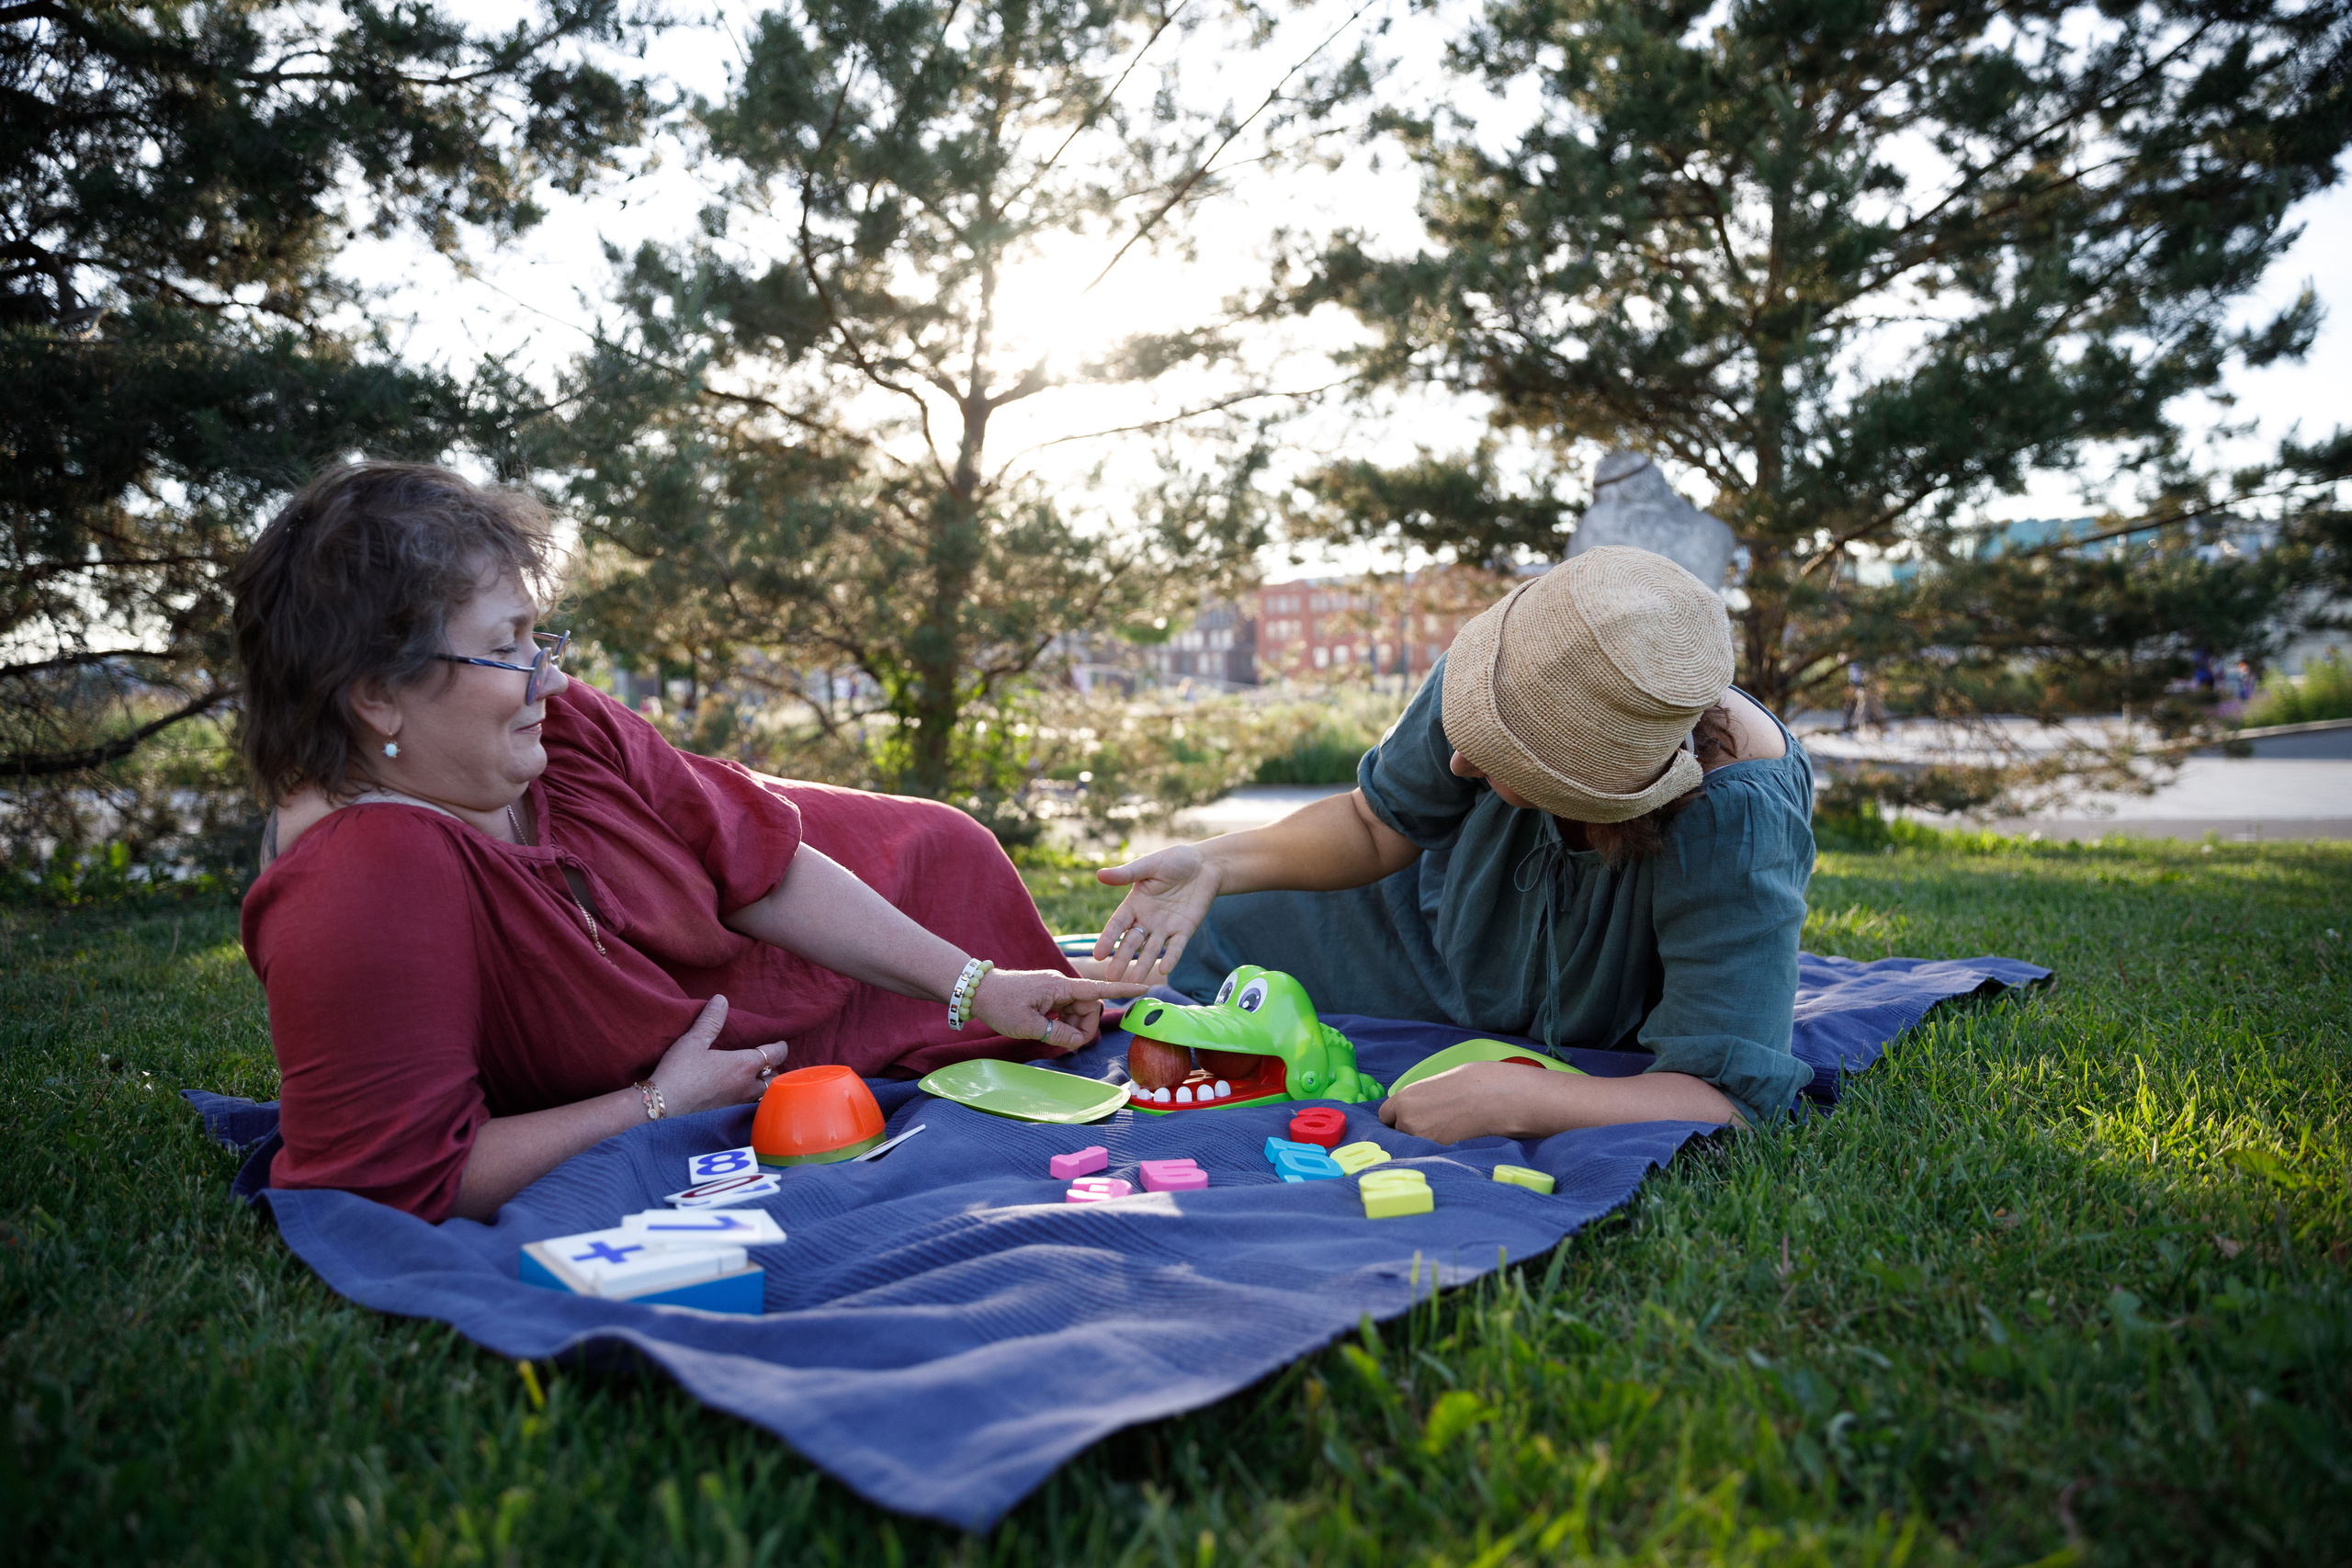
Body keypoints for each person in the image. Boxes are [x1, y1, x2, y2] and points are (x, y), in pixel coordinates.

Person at [234, 463, 1139, 1222]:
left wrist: (976, 984)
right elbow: (402, 1183)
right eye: (507, 648)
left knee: (950, 845)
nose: (548, 673)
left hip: (843, 916)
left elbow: (763, 872)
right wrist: (659, 1107)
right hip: (741, 1032)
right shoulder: (358, 885)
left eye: (538, 635)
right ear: (378, 695)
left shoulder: (561, 727)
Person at [1090, 547, 1816, 1143]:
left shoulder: (1738, 823)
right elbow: (1376, 823)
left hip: (1597, 1016)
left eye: (1505, 760)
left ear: (1600, 791)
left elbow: (1729, 1096)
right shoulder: (1511, 663)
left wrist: (1528, 1097)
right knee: (1180, 949)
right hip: (1422, 928)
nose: (1461, 765)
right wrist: (1214, 862)